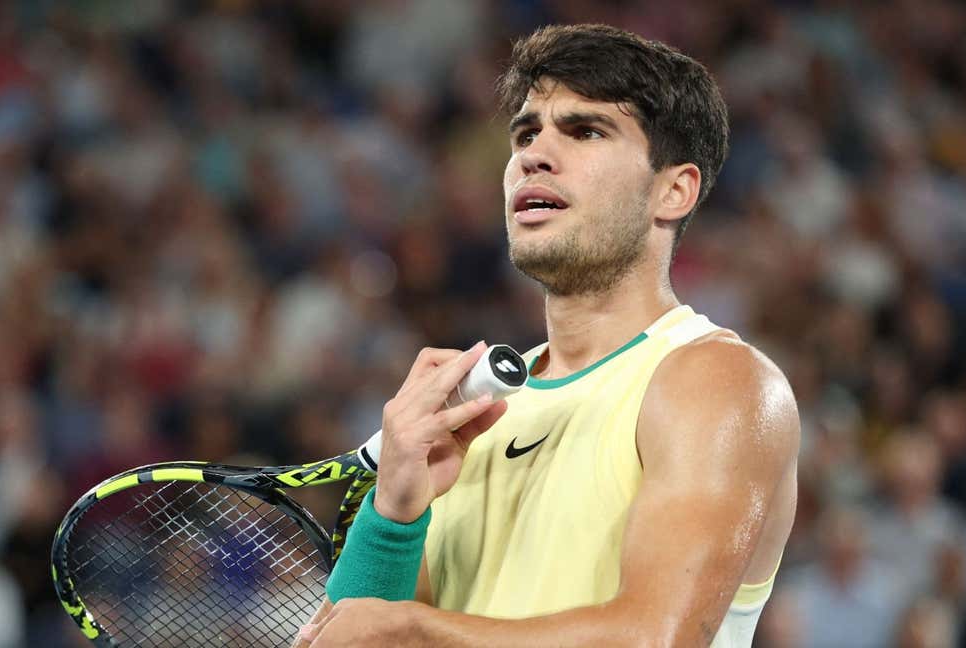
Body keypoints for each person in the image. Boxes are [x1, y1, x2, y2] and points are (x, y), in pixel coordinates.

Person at [298, 23, 799, 647]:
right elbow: (358, 640)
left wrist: (413, 626)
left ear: (673, 190)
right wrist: (394, 513)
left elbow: (655, 638)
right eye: (526, 133)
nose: (534, 153)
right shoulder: (471, 409)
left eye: (586, 131)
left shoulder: (717, 383)